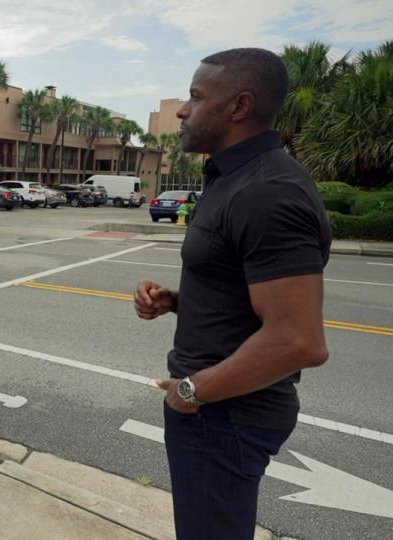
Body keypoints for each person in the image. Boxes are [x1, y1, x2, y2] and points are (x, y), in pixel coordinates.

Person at [134, 48, 331, 540]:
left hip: (224, 415)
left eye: (196, 97)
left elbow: (299, 341)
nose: (182, 110)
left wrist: (189, 392)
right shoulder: (235, 178)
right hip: (217, 410)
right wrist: (179, 300)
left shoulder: (266, 191)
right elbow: (246, 293)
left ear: (238, 107)